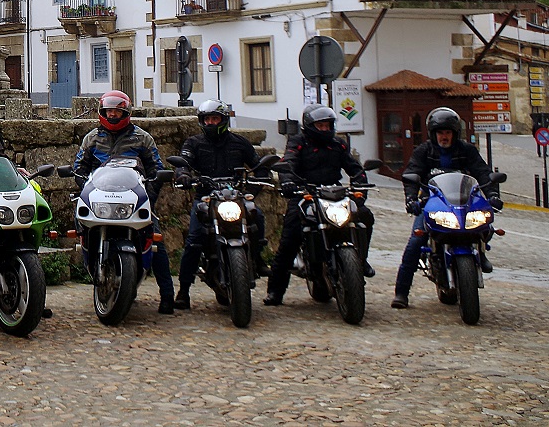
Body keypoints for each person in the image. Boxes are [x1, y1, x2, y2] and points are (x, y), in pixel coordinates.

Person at [73, 89, 177, 314]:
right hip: (100, 199)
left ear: (125, 113)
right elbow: (79, 168)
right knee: (80, 224)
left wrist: (148, 198)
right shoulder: (91, 138)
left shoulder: (142, 138)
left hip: (132, 199)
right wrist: (87, 191)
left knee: (155, 239)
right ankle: (91, 259)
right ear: (102, 112)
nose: (112, 115)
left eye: (117, 112)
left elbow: (156, 169)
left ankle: (167, 295)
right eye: (109, 111)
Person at [262, 104, 376, 307]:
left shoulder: (338, 145)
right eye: (320, 125)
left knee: (364, 216)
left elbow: (355, 168)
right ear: (309, 126)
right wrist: (287, 181)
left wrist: (360, 186)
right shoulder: (298, 143)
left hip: (334, 193)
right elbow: (288, 161)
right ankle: (275, 291)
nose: (324, 129)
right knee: (290, 238)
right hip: (306, 193)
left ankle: (361, 259)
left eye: (327, 125)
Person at [391, 107, 501, 309]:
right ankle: (401, 292)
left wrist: (493, 194)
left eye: (448, 132)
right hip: (434, 203)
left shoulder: (466, 150)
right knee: (416, 241)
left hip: (464, 201)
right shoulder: (424, 151)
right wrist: (411, 199)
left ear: (455, 133)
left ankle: (481, 253)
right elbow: (412, 174)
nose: (444, 136)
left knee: (485, 224)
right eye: (440, 132)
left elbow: (483, 172)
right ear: (433, 134)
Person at [172, 100, 269, 310]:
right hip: (207, 198)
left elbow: (259, 166)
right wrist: (184, 175)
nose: (211, 123)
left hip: (235, 196)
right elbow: (184, 163)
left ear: (223, 120)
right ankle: (184, 290)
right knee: (194, 240)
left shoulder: (240, 143)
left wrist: (253, 189)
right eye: (207, 119)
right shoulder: (193, 143)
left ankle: (258, 257)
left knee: (257, 216)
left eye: (215, 119)